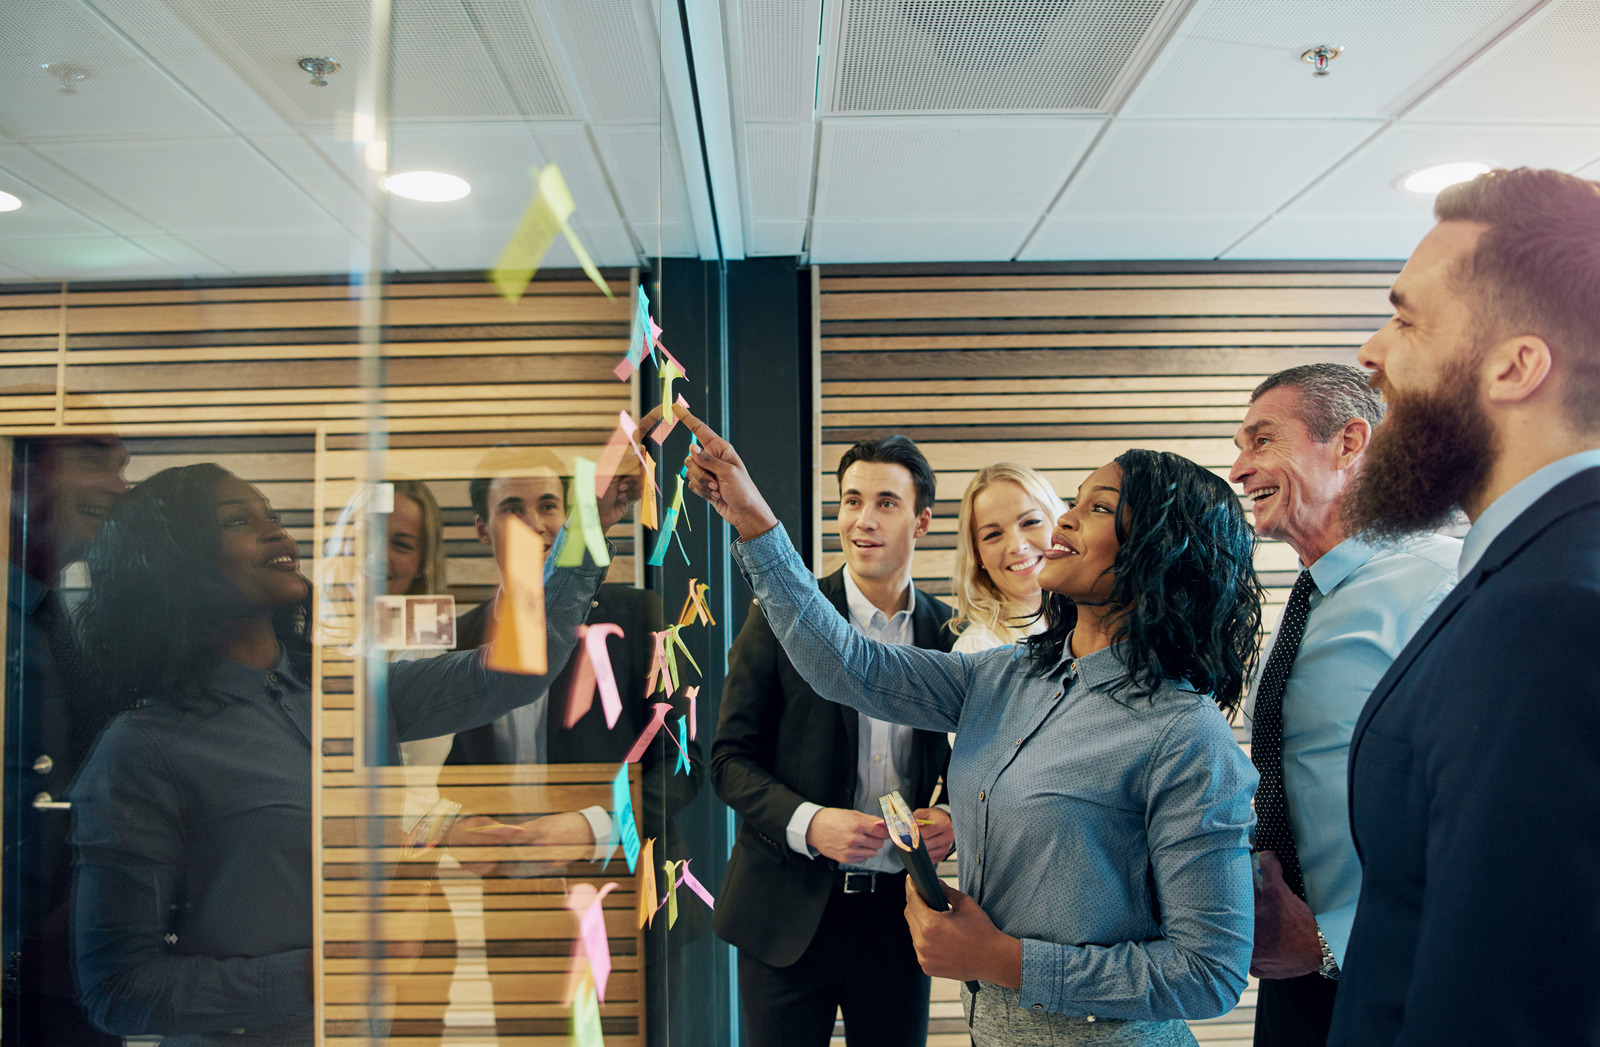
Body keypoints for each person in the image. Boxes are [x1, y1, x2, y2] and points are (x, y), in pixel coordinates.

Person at [687, 411, 1261, 1047]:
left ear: (1160, 549)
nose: (1065, 518)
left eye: (1097, 507)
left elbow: (1209, 973)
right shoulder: (1008, 675)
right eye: (1073, 502)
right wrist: (755, 523)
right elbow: (846, 666)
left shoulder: (1185, 734)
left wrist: (1003, 961)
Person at [66, 462, 632, 1045]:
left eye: (275, 517)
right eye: (239, 520)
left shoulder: (349, 691)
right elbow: (120, 989)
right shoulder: (143, 749)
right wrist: (321, 972)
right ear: (173, 559)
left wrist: (589, 525)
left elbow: (513, 674)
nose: (278, 534)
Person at [1327, 168, 1600, 1046]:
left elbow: (1502, 1007)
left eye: (1406, 319)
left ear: (1516, 366)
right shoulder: (1539, 572)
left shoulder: (1550, 617)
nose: (1371, 351)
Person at [1226, 363, 1457, 1047]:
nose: (1239, 469)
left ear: (1350, 442)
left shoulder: (1442, 586)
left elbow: (1479, 809)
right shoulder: (1302, 607)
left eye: (1261, 440)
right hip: (1295, 977)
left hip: (1396, 982)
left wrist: (1333, 942)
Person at [445, 451, 705, 1047]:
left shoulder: (639, 616)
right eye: (512, 508)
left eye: (548, 506)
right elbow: (440, 774)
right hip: (513, 908)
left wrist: (594, 825)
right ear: (482, 529)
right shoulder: (456, 640)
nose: (535, 523)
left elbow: (683, 765)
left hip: (630, 905)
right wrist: (453, 825)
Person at [711, 435, 956, 1047]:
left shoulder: (952, 634)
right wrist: (810, 822)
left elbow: (980, 766)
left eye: (886, 503)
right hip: (785, 913)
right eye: (850, 501)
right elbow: (727, 760)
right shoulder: (782, 614)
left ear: (922, 520)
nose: (862, 521)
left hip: (902, 916)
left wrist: (954, 817)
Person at [2, 436, 129, 1047]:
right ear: (15, 473)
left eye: (121, 465)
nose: (119, 486)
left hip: (59, 977)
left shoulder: (48, 616)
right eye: (93, 459)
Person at [949, 463, 1066, 654]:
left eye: (1031, 522)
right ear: (978, 556)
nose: (1017, 547)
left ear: (1058, 522)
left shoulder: (1106, 622)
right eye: (993, 535)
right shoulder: (976, 649)